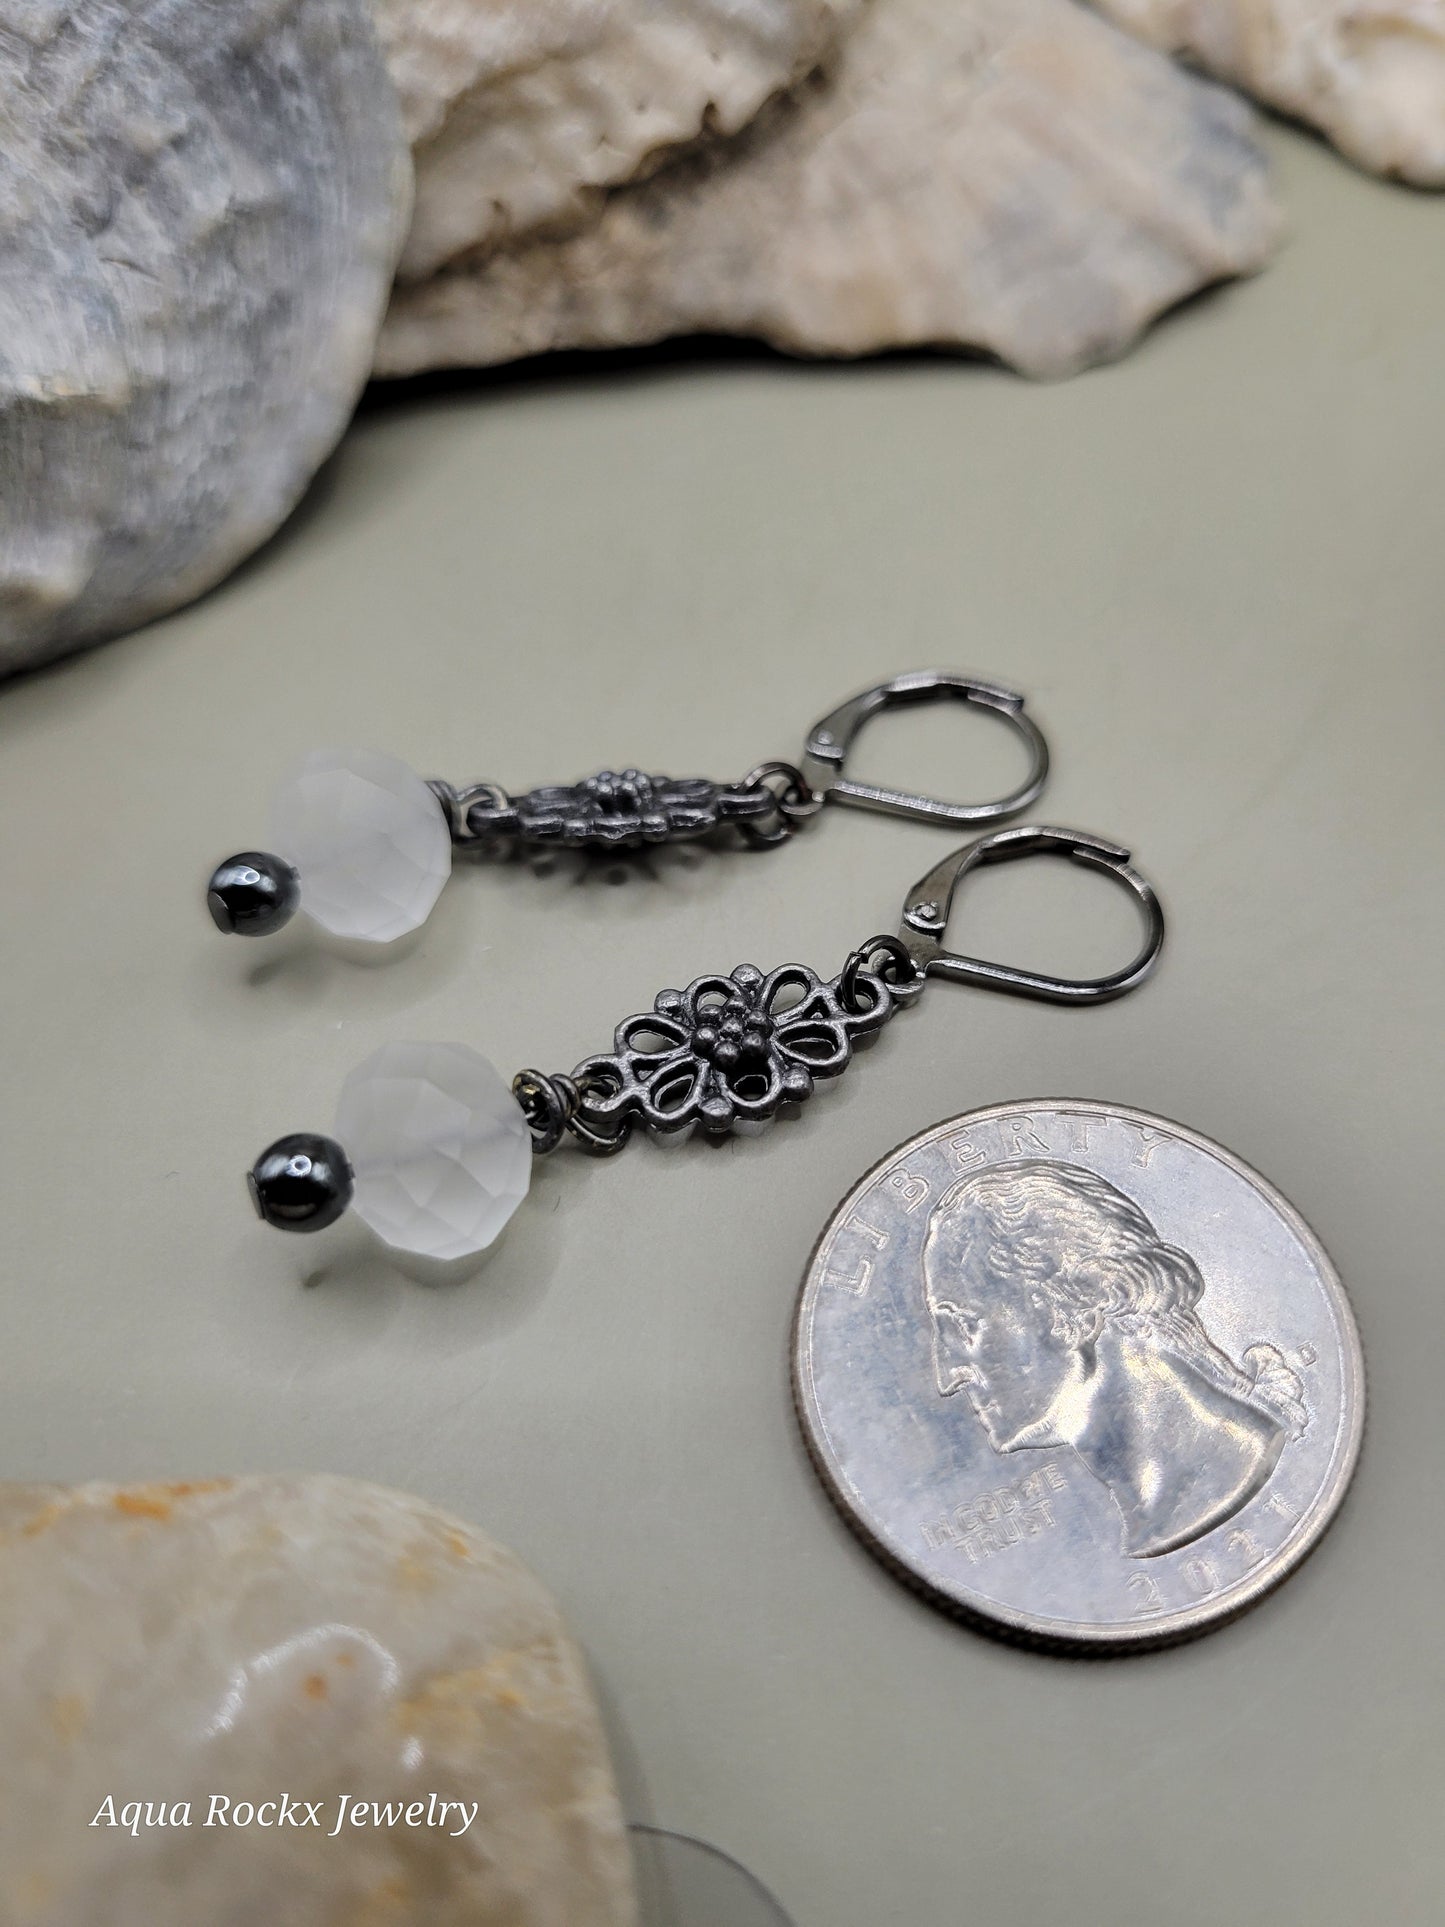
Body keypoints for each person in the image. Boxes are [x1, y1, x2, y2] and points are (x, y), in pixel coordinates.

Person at [922, 1161, 1308, 1558]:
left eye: (966, 1326)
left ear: (1076, 1312)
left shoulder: (1229, 1473)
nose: (947, 1377)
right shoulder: (1157, 1518)